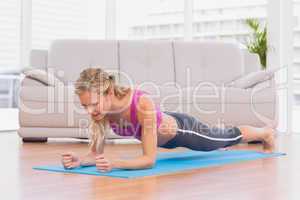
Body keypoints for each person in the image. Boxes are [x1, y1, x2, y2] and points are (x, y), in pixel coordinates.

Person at [61, 67, 275, 172]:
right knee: (217, 138)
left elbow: (149, 160)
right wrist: (81, 161)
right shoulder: (102, 113)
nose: (89, 111)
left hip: (184, 131)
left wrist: (115, 164)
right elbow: (95, 154)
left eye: (93, 104)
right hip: (167, 134)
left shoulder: (140, 103)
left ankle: (265, 132)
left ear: (108, 93)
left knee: (226, 137)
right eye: (84, 106)